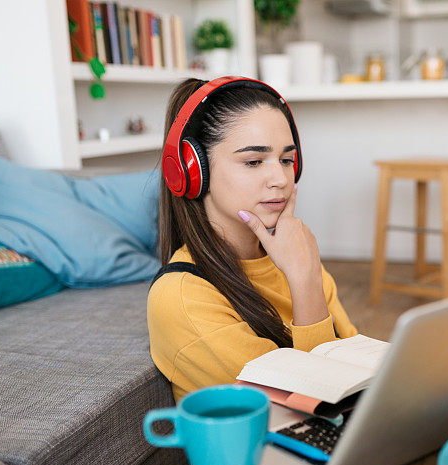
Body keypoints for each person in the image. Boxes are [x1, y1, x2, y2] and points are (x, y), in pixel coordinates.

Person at [148, 78, 358, 402]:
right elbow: (310, 403)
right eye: (253, 161)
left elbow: (354, 361)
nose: (280, 179)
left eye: (287, 160)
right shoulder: (181, 298)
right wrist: (303, 280)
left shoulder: (294, 257)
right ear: (193, 171)